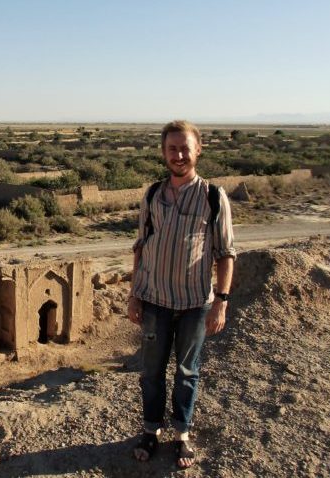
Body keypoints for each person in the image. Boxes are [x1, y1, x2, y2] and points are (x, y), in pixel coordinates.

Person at [128, 120, 235, 468]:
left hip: (194, 303)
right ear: (163, 152)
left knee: (188, 371)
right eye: (172, 148)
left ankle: (182, 433)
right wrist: (134, 294)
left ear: (198, 149)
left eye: (185, 147)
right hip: (155, 298)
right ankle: (150, 429)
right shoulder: (152, 194)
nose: (179, 154)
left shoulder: (213, 197)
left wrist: (221, 302)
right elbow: (142, 246)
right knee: (151, 371)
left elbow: (225, 253)